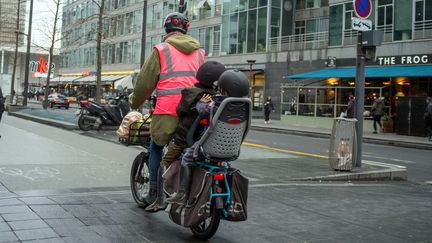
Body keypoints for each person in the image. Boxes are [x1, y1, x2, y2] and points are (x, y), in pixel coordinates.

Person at [129, 12, 204, 212]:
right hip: (194, 111)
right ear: (185, 29)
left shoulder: (161, 49)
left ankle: (155, 194)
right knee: (186, 148)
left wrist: (134, 101)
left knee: (156, 147)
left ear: (166, 30)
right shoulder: (199, 52)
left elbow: (145, 83)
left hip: (168, 110)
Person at [166, 70, 250, 205]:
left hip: (209, 145)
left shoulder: (218, 103)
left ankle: (182, 193)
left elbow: (203, 111)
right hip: (232, 148)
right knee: (222, 165)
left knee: (187, 158)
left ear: (224, 90)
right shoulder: (245, 105)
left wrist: (200, 102)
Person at [160, 61, 226, 167]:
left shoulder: (191, 93)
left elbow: (180, 111)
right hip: (210, 139)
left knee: (167, 160)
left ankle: (162, 176)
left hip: (185, 137)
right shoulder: (220, 98)